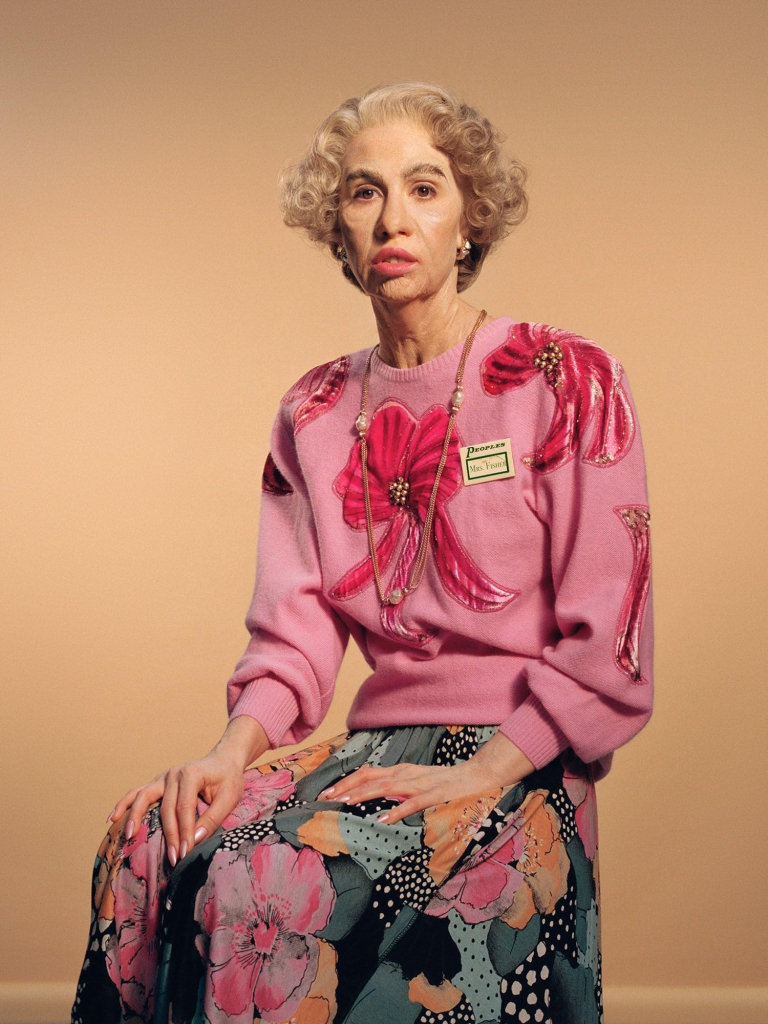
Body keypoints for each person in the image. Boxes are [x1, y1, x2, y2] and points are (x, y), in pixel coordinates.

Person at [71, 81, 654, 1024]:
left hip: (518, 759)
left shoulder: (564, 377)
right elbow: (292, 637)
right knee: (146, 835)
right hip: (377, 748)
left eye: (425, 188)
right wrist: (230, 752)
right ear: (336, 230)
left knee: (255, 877)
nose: (393, 217)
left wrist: (482, 774)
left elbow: (609, 647)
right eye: (363, 192)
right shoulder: (312, 410)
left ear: (469, 219)